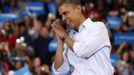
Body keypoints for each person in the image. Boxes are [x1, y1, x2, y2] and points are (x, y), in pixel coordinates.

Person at [51, 0, 114, 75]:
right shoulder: (70, 37)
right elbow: (59, 70)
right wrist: (60, 43)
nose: (63, 18)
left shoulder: (98, 27)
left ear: (78, 8)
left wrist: (64, 36)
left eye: (65, 13)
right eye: (61, 15)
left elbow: (82, 51)